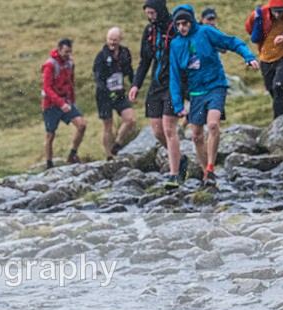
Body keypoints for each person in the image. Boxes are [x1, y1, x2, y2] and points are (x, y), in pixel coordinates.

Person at [169, 5, 259, 186]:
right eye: (178, 25)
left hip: (216, 85)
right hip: (196, 92)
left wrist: (248, 56)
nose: (181, 28)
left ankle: (210, 165)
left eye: (184, 23)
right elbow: (174, 77)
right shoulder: (175, 44)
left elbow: (232, 42)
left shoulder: (206, 32)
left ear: (191, 22)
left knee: (212, 124)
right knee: (196, 135)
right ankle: (207, 174)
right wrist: (178, 105)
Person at [128, 0, 189, 190]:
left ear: (160, 10)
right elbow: (144, 61)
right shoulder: (149, 32)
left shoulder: (175, 27)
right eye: (148, 13)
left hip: (174, 83)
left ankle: (174, 174)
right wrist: (135, 85)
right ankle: (180, 159)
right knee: (157, 130)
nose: (150, 16)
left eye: (153, 12)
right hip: (156, 84)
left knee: (169, 128)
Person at [41, 38, 87, 168]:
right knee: (50, 135)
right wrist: (61, 103)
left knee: (82, 125)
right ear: (59, 50)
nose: (68, 55)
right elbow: (47, 88)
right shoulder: (50, 65)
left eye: (70, 52)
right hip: (51, 104)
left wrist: (71, 102)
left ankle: (72, 154)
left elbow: (71, 84)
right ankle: (49, 164)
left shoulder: (70, 64)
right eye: (65, 52)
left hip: (66, 102)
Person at [93, 27, 136, 160]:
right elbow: (97, 78)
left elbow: (129, 71)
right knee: (108, 125)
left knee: (130, 119)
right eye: (110, 39)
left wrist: (135, 85)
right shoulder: (101, 56)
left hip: (119, 93)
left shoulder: (124, 52)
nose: (112, 42)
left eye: (115, 40)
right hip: (104, 95)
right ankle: (108, 156)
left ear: (120, 40)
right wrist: (107, 91)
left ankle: (117, 144)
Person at [246, 0, 283, 118]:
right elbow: (249, 28)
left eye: (281, 12)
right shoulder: (260, 14)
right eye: (275, 12)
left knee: (277, 86)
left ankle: (278, 122)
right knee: (271, 89)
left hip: (282, 56)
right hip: (265, 58)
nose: (278, 15)